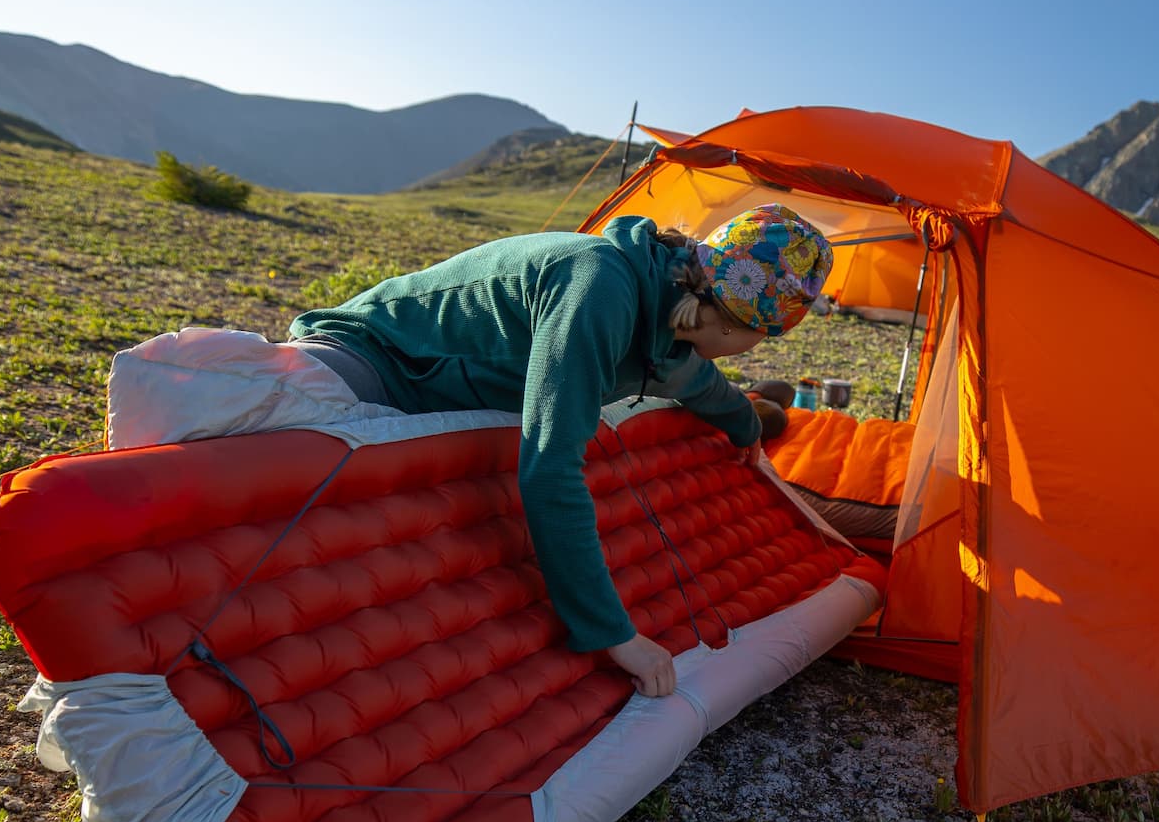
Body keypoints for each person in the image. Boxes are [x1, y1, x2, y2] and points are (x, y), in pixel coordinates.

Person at [279, 205, 833, 699]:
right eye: (763, 336)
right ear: (733, 322)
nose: (754, 349)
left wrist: (745, 428)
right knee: (267, 414)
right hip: (374, 359)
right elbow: (550, 470)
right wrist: (615, 634)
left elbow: (699, 382)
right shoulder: (600, 287)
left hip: (436, 403)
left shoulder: (674, 319)